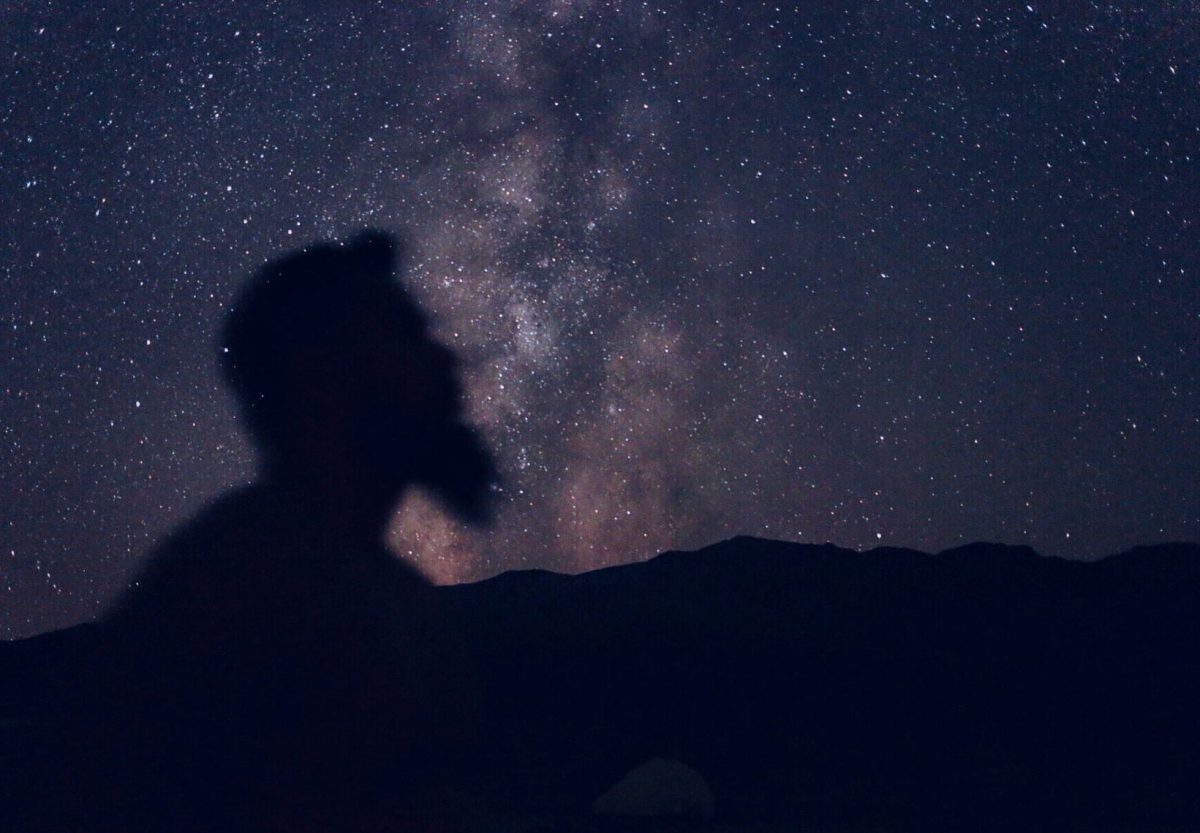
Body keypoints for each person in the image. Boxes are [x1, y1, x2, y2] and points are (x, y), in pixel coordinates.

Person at [78, 231, 497, 832]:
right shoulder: (224, 599)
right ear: (321, 376)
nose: (444, 360)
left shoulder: (390, 593)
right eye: (404, 335)